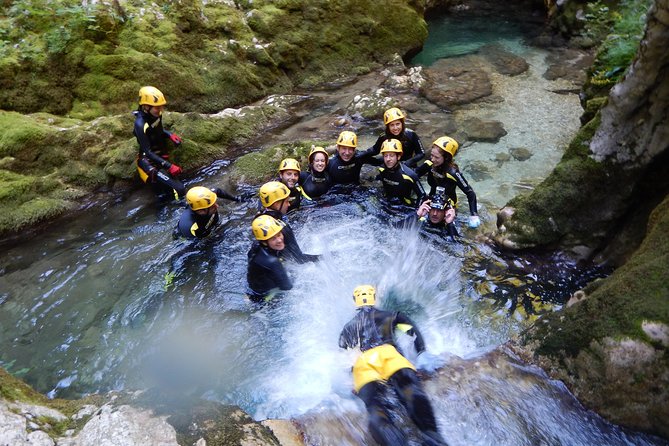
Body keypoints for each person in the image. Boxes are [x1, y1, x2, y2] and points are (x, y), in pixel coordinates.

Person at [339, 285, 448, 446]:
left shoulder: (347, 329)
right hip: (389, 354)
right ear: (374, 298)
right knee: (410, 390)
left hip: (364, 363)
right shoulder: (391, 315)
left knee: (375, 407)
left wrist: (353, 380)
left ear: (356, 301)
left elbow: (345, 357)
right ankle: (433, 437)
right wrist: (422, 354)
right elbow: (413, 331)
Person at [415, 136, 481, 228]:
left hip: (448, 206)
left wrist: (474, 215)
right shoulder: (430, 164)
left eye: (437, 157)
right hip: (431, 201)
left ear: (446, 158)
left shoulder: (453, 173)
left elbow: (470, 193)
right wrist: (421, 195)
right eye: (431, 155)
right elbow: (414, 175)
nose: (433, 159)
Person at [133, 86, 186, 200]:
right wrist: (169, 166)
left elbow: (159, 131)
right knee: (176, 191)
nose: (160, 110)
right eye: (157, 107)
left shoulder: (157, 115)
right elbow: (147, 151)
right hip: (148, 162)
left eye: (161, 107)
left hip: (160, 157)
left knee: (176, 190)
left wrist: (169, 135)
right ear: (146, 106)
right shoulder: (140, 124)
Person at [258, 181, 321, 263]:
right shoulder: (282, 228)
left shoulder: (259, 220)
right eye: (287, 201)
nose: (289, 205)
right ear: (277, 204)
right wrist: (327, 256)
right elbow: (300, 259)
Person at [246, 214, 292, 302]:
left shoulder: (255, 247)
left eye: (279, 234)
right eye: (273, 239)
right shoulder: (272, 262)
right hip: (267, 300)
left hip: (252, 292)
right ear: (265, 242)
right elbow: (287, 287)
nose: (279, 240)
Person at [174, 186, 240, 239]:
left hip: (209, 226)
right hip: (191, 238)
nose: (217, 206)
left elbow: (217, 191)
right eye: (212, 206)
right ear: (201, 211)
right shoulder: (189, 227)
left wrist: (237, 199)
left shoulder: (207, 198)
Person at [376, 139, 426, 207]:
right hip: (386, 201)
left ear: (398, 156)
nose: (388, 159)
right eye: (385, 156)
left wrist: (417, 211)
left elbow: (422, 196)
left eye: (391, 155)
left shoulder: (410, 175)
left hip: (404, 205)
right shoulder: (381, 169)